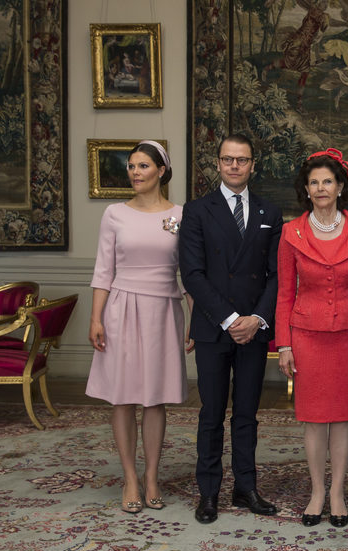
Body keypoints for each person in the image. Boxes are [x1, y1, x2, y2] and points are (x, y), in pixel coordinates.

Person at [179, 134, 284, 524]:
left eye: (242, 160)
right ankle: (208, 492)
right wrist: (228, 319)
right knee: (211, 413)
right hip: (212, 327)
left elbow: (276, 275)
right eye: (228, 159)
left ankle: (245, 488)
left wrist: (255, 319)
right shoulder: (197, 211)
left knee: (246, 413)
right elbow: (192, 274)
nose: (235, 166)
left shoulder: (270, 212)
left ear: (253, 164)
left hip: (254, 330)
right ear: (218, 164)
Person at [87, 140, 192, 514]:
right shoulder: (114, 214)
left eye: (143, 166)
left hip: (164, 310)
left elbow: (191, 274)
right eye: (131, 166)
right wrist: (96, 318)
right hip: (121, 309)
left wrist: (194, 320)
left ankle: (152, 476)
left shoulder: (181, 215)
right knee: (123, 396)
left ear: (161, 171)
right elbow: (103, 270)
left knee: (155, 397)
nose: (134, 172)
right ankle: (130, 477)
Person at [275, 148, 348, 528]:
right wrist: (284, 343)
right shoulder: (290, 232)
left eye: (327, 181)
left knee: (343, 418)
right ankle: (317, 491)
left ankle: (337, 493)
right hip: (307, 337)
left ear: (340, 185)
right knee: (314, 419)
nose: (320, 188)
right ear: (306, 189)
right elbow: (285, 293)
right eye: (313, 182)